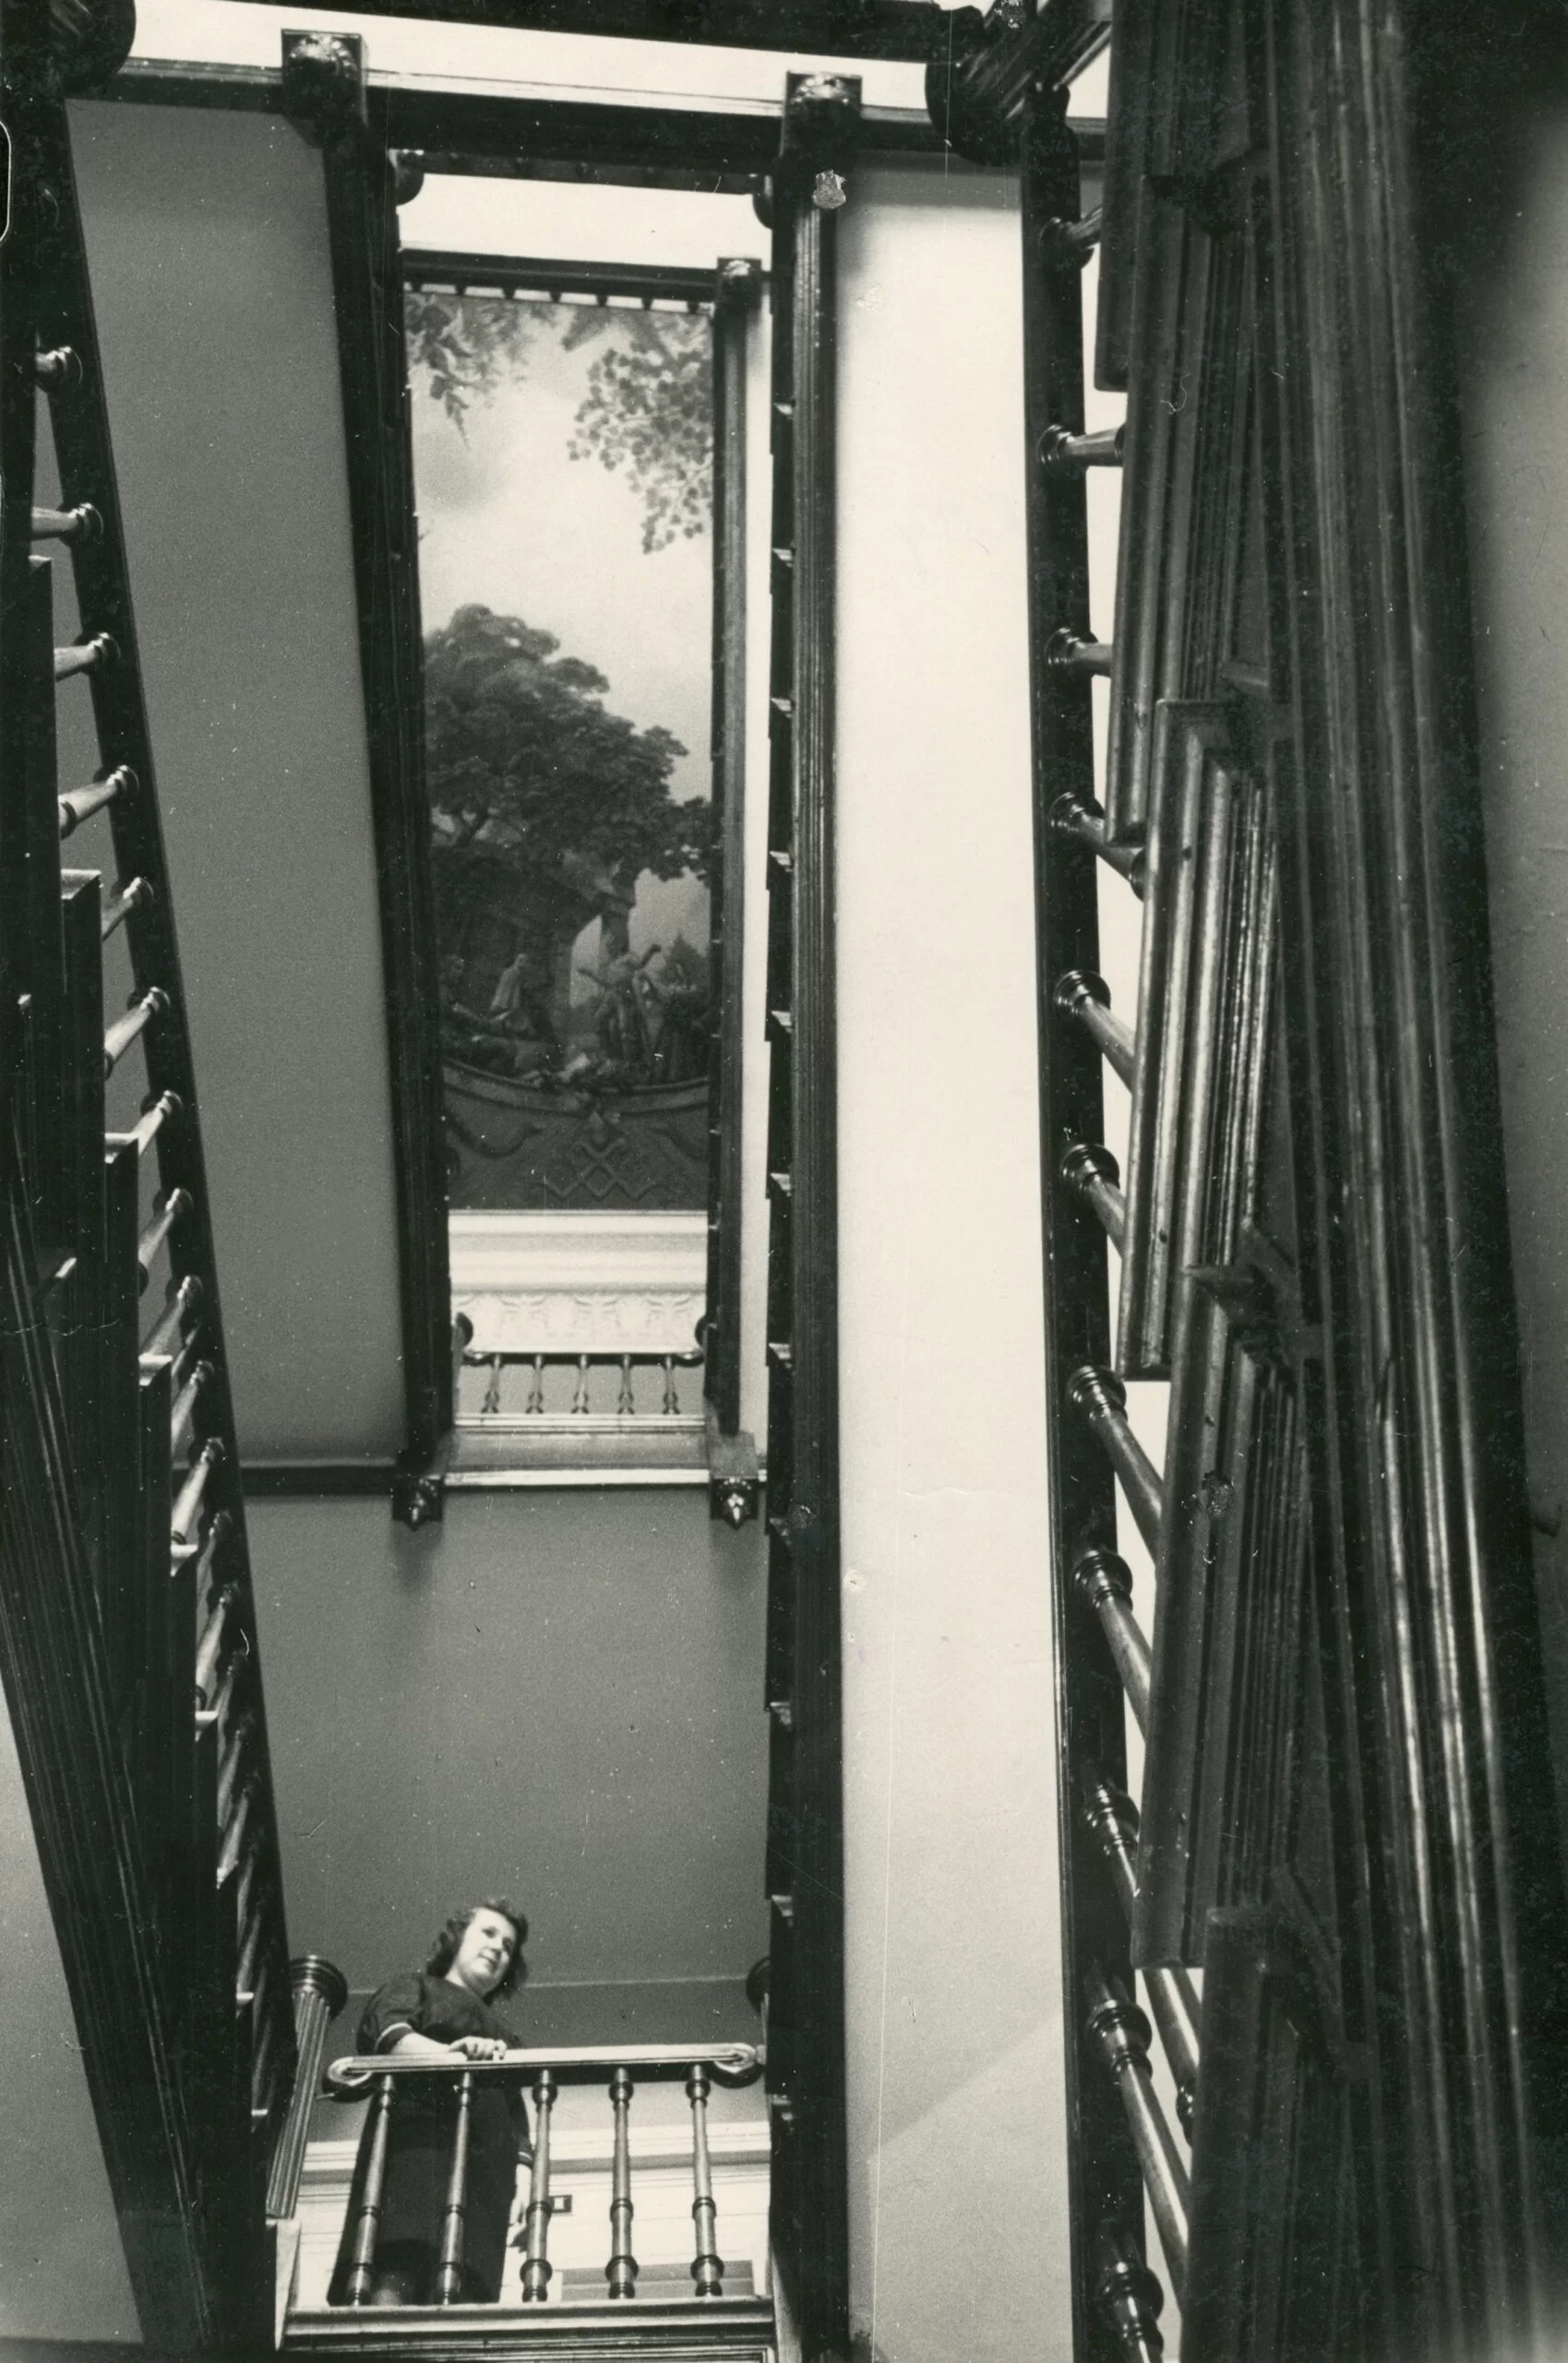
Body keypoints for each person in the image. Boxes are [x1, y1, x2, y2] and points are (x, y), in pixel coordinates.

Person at [329, 1900, 531, 2307]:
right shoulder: (415, 1986)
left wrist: (525, 2184)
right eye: (488, 1933)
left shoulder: (507, 2038)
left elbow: (516, 2118)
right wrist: (455, 2055)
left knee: (465, 2292)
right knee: (398, 2269)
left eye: (508, 1946)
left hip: (484, 2182)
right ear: (456, 1939)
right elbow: (388, 2037)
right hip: (417, 2151)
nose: (498, 1948)